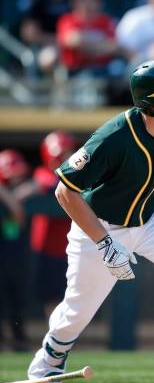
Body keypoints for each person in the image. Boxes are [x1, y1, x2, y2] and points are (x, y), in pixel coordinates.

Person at [28, 58, 154, 383]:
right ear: (152, 102)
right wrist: (104, 243)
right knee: (79, 309)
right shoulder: (114, 137)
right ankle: (47, 365)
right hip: (101, 223)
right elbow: (64, 190)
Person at [19, 132, 76, 319]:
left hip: (71, 249)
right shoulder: (42, 174)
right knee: (50, 298)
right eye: (61, 154)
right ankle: (55, 336)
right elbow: (51, 182)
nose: (64, 158)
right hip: (46, 250)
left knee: (71, 297)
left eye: (68, 153)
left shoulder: (80, 175)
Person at [0, 149, 30, 351]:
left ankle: (19, 341)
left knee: (17, 302)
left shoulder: (26, 190)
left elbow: (19, 217)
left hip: (18, 259)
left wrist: (12, 197)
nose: (16, 177)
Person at [56, 0, 119, 76]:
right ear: (75, 3)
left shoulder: (105, 21)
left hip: (103, 69)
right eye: (84, 1)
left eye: (92, 0)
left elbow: (114, 46)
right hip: (76, 69)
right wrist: (100, 47)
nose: (88, 5)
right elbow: (72, 40)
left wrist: (86, 47)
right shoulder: (68, 19)